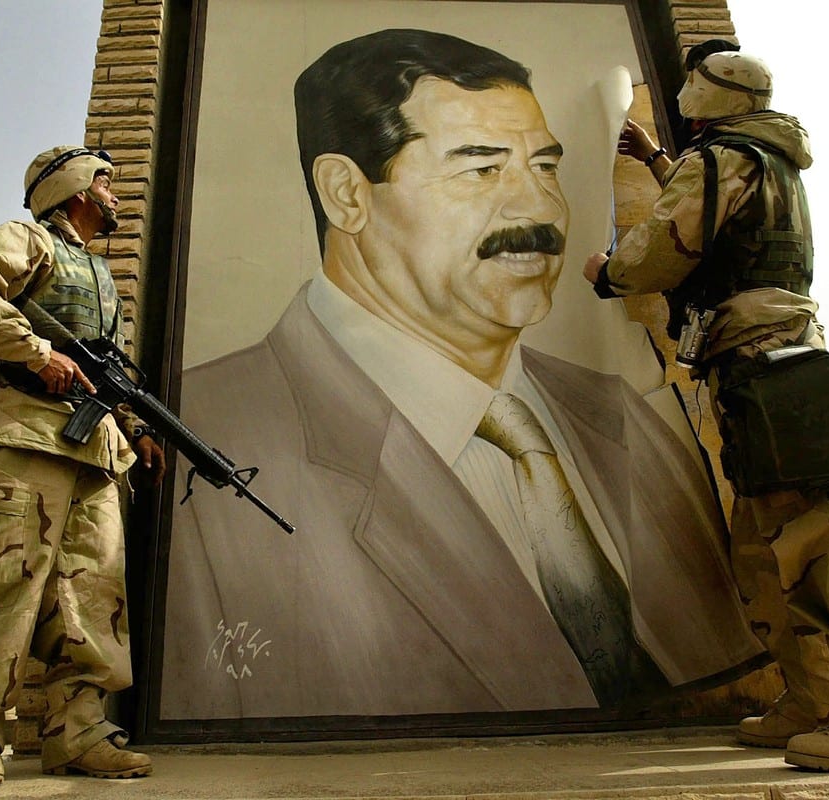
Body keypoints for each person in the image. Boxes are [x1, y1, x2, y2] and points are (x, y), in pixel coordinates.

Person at [160, 28, 764, 725]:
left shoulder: (620, 416)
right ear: (346, 194)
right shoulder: (210, 446)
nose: (540, 209)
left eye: (545, 167)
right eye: (481, 170)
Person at [583, 50, 829, 772]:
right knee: (763, 543)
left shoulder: (720, 161)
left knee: (822, 535)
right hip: (770, 358)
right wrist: (656, 161)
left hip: (763, 362)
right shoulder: (759, 158)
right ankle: (816, 700)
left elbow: (658, 255)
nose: (685, 91)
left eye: (694, 82)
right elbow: (720, 222)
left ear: (708, 96)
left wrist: (609, 272)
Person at [0, 146, 164, 787]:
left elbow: (103, 371)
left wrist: (135, 427)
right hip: (24, 435)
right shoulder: (31, 242)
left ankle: (78, 732)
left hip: (94, 454)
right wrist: (35, 352)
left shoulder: (100, 276)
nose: (116, 195)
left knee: (92, 596)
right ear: (76, 189)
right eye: (106, 183)